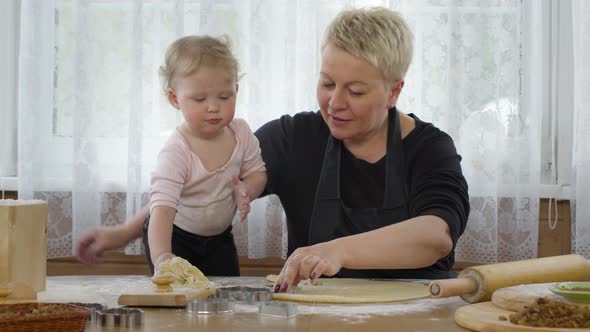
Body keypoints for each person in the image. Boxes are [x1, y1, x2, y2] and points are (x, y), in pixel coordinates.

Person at [76, 7, 469, 291]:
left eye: (356, 90)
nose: (334, 103)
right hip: (316, 316)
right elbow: (204, 181)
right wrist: (126, 232)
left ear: (394, 91)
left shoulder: (430, 148)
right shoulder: (295, 137)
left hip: (417, 312)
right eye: (327, 83)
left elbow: (435, 236)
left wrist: (336, 252)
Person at [75, 35, 268, 277]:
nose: (213, 106)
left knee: (224, 297)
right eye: (199, 99)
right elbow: (162, 211)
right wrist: (162, 258)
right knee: (178, 298)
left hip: (220, 239)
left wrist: (247, 189)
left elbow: (258, 173)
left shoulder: (241, 133)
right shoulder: (176, 151)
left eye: (224, 96)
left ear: (236, 91)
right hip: (174, 237)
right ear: (175, 98)